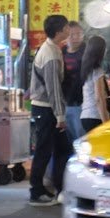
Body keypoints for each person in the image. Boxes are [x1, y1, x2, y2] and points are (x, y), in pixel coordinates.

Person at [28, 14, 70, 206]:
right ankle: (36, 192)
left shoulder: (52, 48)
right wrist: (60, 115)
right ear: (59, 31)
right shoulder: (51, 54)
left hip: (47, 108)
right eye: (67, 27)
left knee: (61, 149)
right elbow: (53, 88)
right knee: (44, 150)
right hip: (46, 109)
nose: (69, 30)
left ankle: (58, 187)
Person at [78, 35, 109, 135]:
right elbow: (99, 98)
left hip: (85, 116)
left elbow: (99, 92)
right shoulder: (97, 71)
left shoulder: (86, 70)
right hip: (95, 116)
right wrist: (106, 122)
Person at [61, 22, 86, 142]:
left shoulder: (87, 53)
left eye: (78, 34)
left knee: (80, 138)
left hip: (80, 103)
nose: (75, 37)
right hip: (63, 102)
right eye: (71, 34)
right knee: (66, 139)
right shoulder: (60, 53)